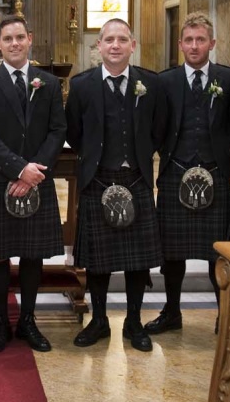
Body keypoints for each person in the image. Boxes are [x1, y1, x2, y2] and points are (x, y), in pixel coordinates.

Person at [65, 18, 166, 351]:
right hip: (98, 179)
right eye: (109, 39)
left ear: (132, 46)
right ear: (99, 46)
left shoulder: (149, 83)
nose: (115, 45)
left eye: (122, 39)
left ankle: (135, 322)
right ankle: (99, 321)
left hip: (135, 178)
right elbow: (74, 132)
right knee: (97, 260)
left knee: (137, 260)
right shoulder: (81, 86)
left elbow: (159, 129)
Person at [0, 16, 66, 353]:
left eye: (19, 37)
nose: (14, 43)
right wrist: (18, 169)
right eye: (7, 38)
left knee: (32, 254)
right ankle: (1, 323)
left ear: (30, 39)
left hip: (37, 180)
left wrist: (33, 171)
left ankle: (28, 320)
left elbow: (58, 130)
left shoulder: (49, 83)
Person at [149, 13, 230, 337]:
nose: (194, 45)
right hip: (175, 173)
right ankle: (171, 311)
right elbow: (156, 126)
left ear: (212, 43)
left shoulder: (229, 80)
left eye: (200, 39)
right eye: (188, 40)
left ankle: (224, 315)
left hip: (214, 174)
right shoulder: (165, 81)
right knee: (172, 252)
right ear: (180, 44)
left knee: (219, 251)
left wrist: (224, 155)